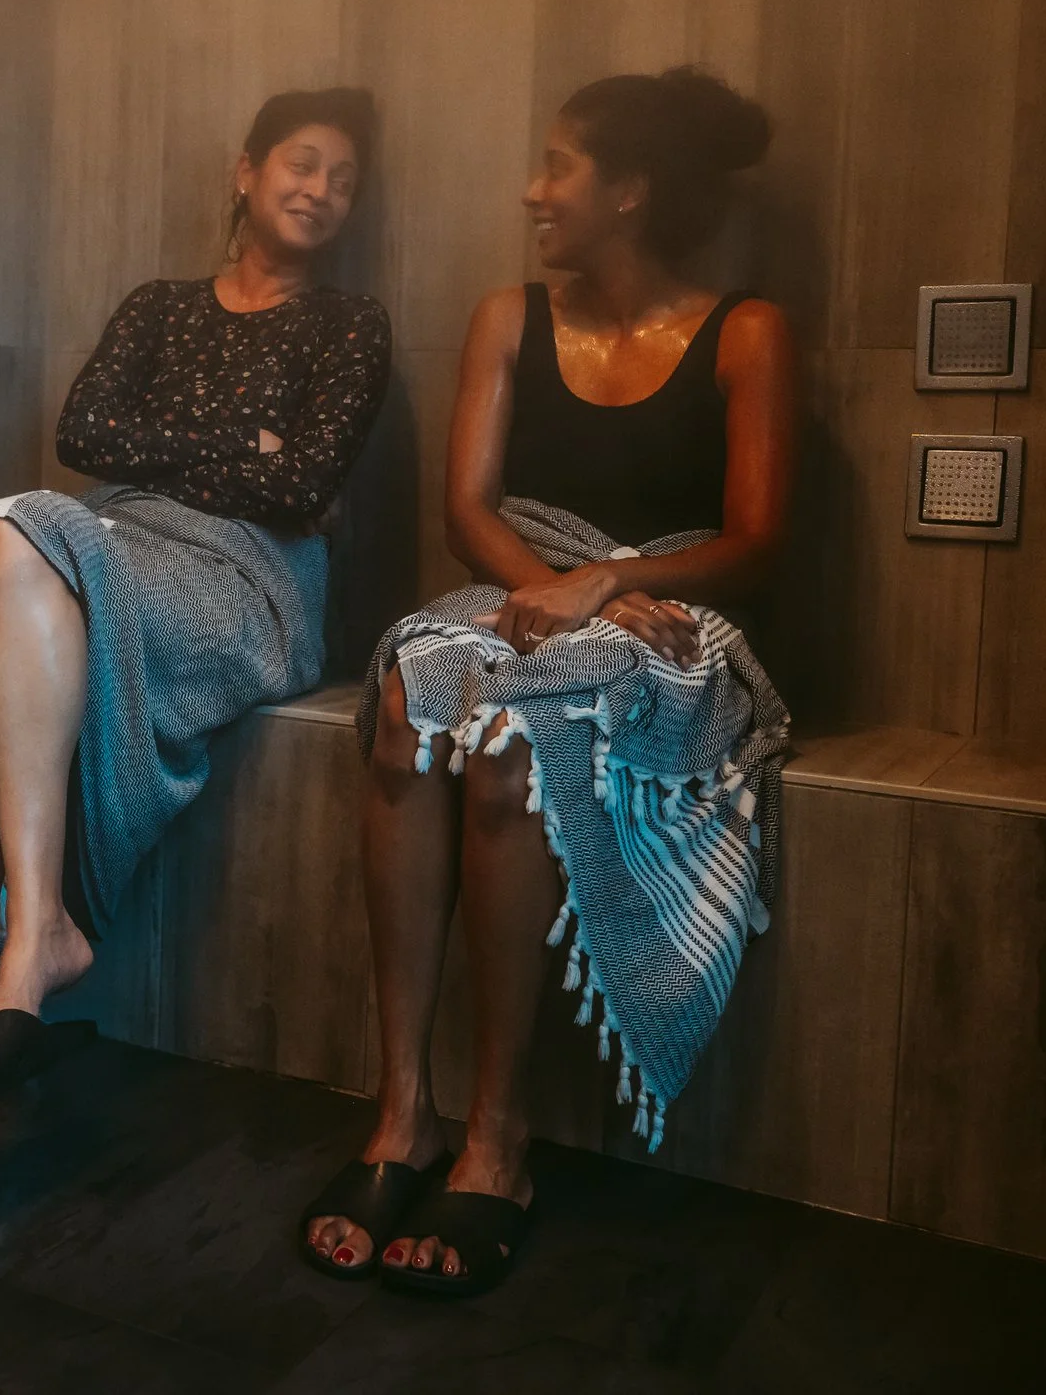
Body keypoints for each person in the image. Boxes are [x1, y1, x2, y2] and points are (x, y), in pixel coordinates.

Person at [298, 67, 797, 1296]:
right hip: (520, 580)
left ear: (629, 191)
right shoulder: (508, 318)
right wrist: (567, 587)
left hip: (669, 612)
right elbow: (469, 513)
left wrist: (610, 584)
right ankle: (401, 1113)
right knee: (412, 698)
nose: (532, 192)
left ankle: (498, 1138)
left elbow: (755, 538)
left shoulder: (745, 332)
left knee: (518, 740)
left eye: (557, 167)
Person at [0, 88, 394, 1151]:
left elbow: (303, 489)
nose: (320, 190)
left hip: (251, 578)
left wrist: (205, 454)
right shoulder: (159, 306)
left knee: (21, 523)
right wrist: (249, 447)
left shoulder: (350, 326)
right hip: (124, 542)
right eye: (301, 163)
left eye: (343, 179)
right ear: (246, 171)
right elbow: (85, 431)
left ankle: (23, 946)